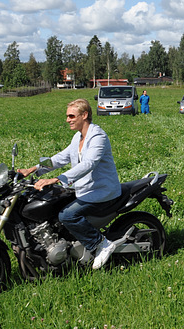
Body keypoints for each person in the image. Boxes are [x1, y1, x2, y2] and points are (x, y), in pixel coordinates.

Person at [18, 98, 121, 270]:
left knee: (67, 216)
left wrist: (57, 179)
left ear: (85, 115)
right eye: (67, 116)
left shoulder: (98, 136)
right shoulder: (78, 137)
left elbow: (88, 164)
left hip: (102, 192)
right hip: (85, 190)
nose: (68, 120)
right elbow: (60, 158)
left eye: (71, 116)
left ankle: (101, 243)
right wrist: (33, 169)